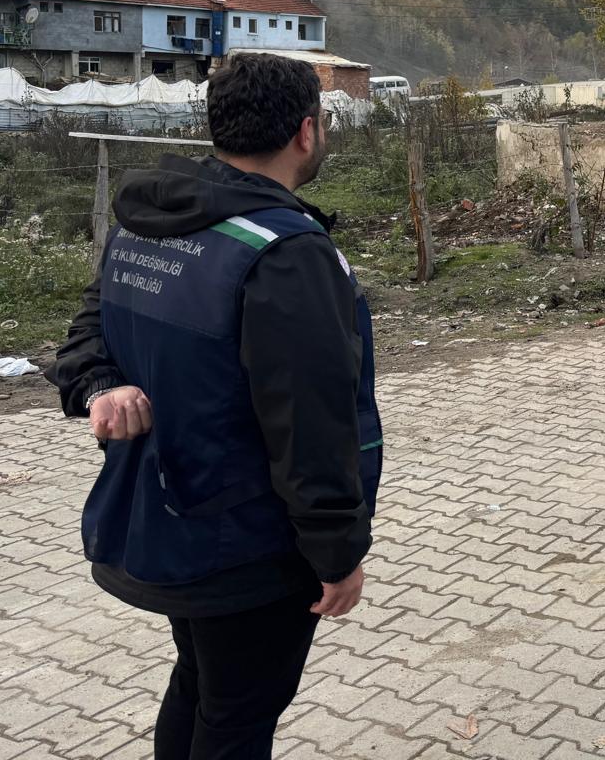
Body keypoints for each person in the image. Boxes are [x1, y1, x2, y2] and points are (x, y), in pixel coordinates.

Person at [48, 52, 382, 760]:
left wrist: (97, 383)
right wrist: (337, 551)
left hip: (174, 523)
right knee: (236, 718)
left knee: (204, 686)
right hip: (251, 546)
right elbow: (311, 423)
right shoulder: (285, 253)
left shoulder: (147, 223)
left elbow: (86, 331)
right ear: (306, 133)